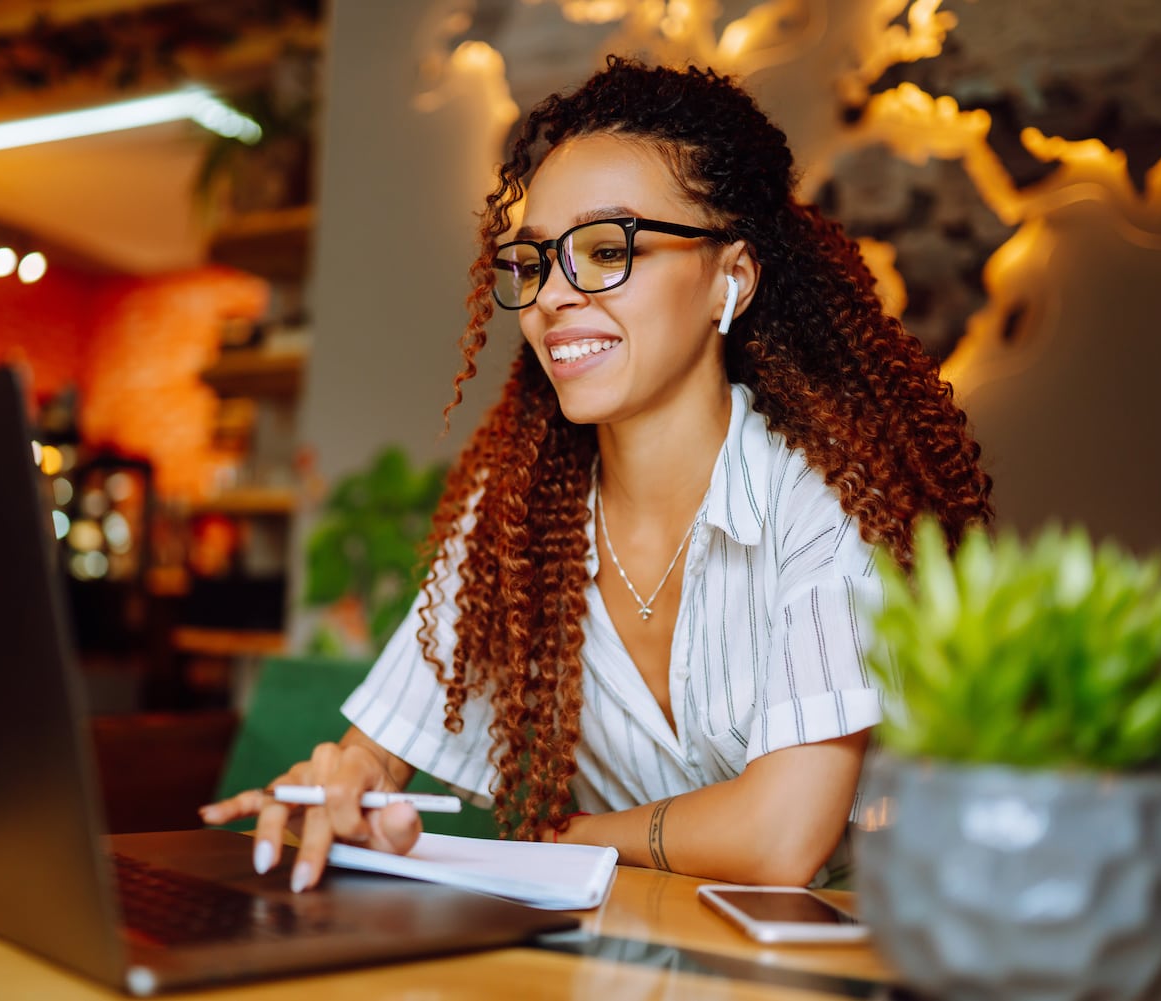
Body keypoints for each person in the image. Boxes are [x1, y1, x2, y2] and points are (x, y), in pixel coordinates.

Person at [201, 55, 993, 893]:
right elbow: (377, 751)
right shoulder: (515, 511)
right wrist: (346, 786)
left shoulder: (825, 500)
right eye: (536, 261)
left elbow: (781, 837)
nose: (552, 297)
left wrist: (569, 837)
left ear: (732, 276)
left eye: (607, 248)